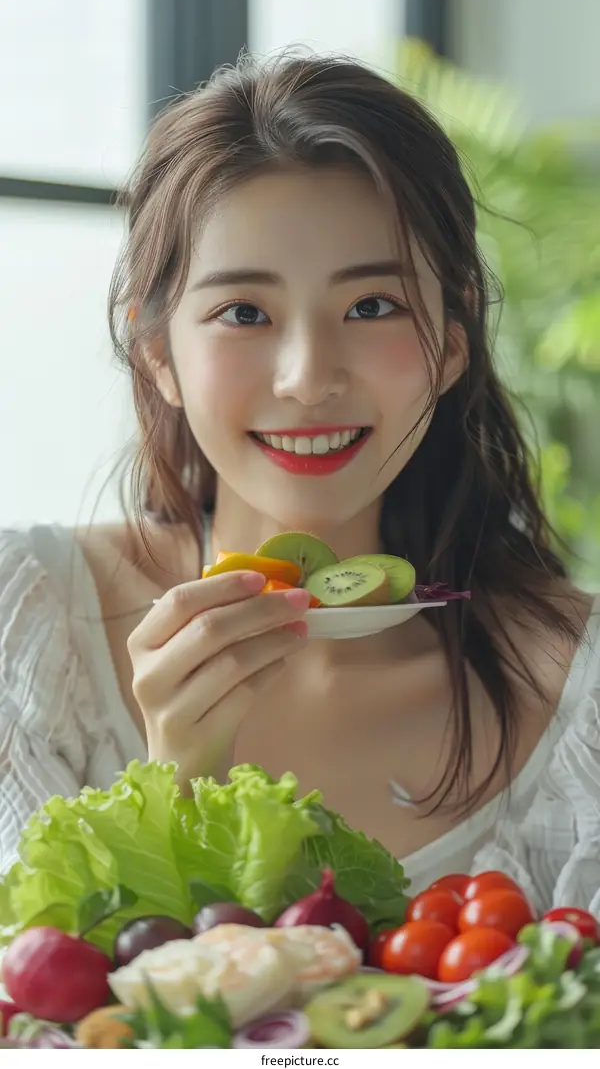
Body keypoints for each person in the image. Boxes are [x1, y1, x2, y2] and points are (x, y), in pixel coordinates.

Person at [0, 53, 598, 912]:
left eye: (372, 306)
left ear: (452, 341)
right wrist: (178, 787)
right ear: (157, 351)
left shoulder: (581, 694)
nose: (309, 378)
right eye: (244, 313)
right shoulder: (26, 629)